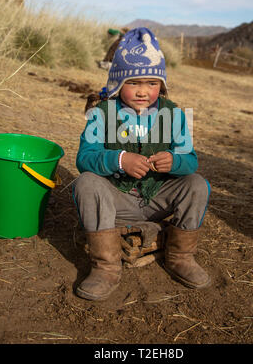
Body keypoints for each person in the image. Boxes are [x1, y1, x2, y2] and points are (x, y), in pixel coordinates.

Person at [73, 27, 211, 301]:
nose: (142, 92)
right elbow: (84, 158)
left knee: (197, 184)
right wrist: (120, 160)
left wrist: (175, 161)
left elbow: (191, 162)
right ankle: (105, 266)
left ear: (162, 85)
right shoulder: (102, 114)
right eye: (133, 83)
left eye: (152, 83)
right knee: (86, 182)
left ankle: (181, 257)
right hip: (117, 202)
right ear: (116, 83)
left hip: (158, 199)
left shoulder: (174, 115)